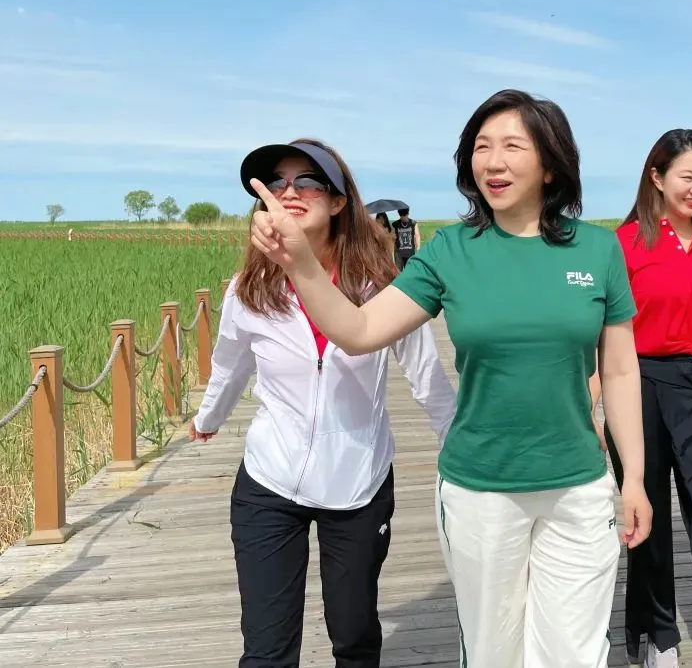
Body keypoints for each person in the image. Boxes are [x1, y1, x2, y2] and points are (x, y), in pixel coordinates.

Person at [245, 89, 653, 668]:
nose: (493, 162)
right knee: (492, 653)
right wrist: (302, 265)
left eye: (512, 146)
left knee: (575, 654)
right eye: (482, 148)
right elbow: (360, 329)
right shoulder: (450, 251)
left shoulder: (598, 249)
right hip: (480, 488)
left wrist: (633, 478)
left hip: (579, 486)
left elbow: (619, 369)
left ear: (551, 164)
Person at [188, 138, 458, 668]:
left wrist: (457, 444)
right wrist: (208, 417)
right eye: (278, 182)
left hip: (358, 481)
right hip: (270, 478)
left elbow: (425, 374)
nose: (290, 191)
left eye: (309, 181)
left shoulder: (380, 286)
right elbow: (230, 363)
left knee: (354, 637)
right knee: (266, 650)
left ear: (338, 202)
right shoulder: (248, 289)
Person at [596, 129, 692, 668]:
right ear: (656, 177)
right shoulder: (623, 244)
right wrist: (591, 405)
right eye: (687, 176)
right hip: (638, 384)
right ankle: (659, 637)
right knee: (648, 518)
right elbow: (604, 334)